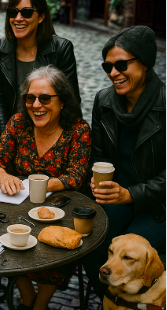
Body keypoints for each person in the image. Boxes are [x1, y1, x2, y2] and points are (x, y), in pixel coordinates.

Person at [0, 66, 91, 310]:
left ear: (62, 101)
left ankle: (40, 304)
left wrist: (36, 184)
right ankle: (26, 296)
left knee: (55, 247)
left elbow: (75, 177)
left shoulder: (78, 130)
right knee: (2, 233)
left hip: (59, 208)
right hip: (17, 205)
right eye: (30, 98)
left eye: (45, 98)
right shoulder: (19, 123)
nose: (36, 105)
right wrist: (2, 177)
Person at [82, 26, 166, 298]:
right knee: (89, 240)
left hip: (159, 204)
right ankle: (111, 301)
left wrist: (131, 194)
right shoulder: (104, 100)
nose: (113, 73)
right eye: (108, 67)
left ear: (144, 61)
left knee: (133, 251)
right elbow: (100, 156)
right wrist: (99, 185)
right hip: (118, 194)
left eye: (120, 65)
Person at [0, 0, 81, 139]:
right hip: (15, 136)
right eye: (13, 12)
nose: (18, 18)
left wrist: (60, 142)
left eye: (26, 12)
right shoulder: (1, 48)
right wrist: (5, 139)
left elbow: (71, 102)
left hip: (51, 135)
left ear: (41, 17)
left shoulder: (61, 49)